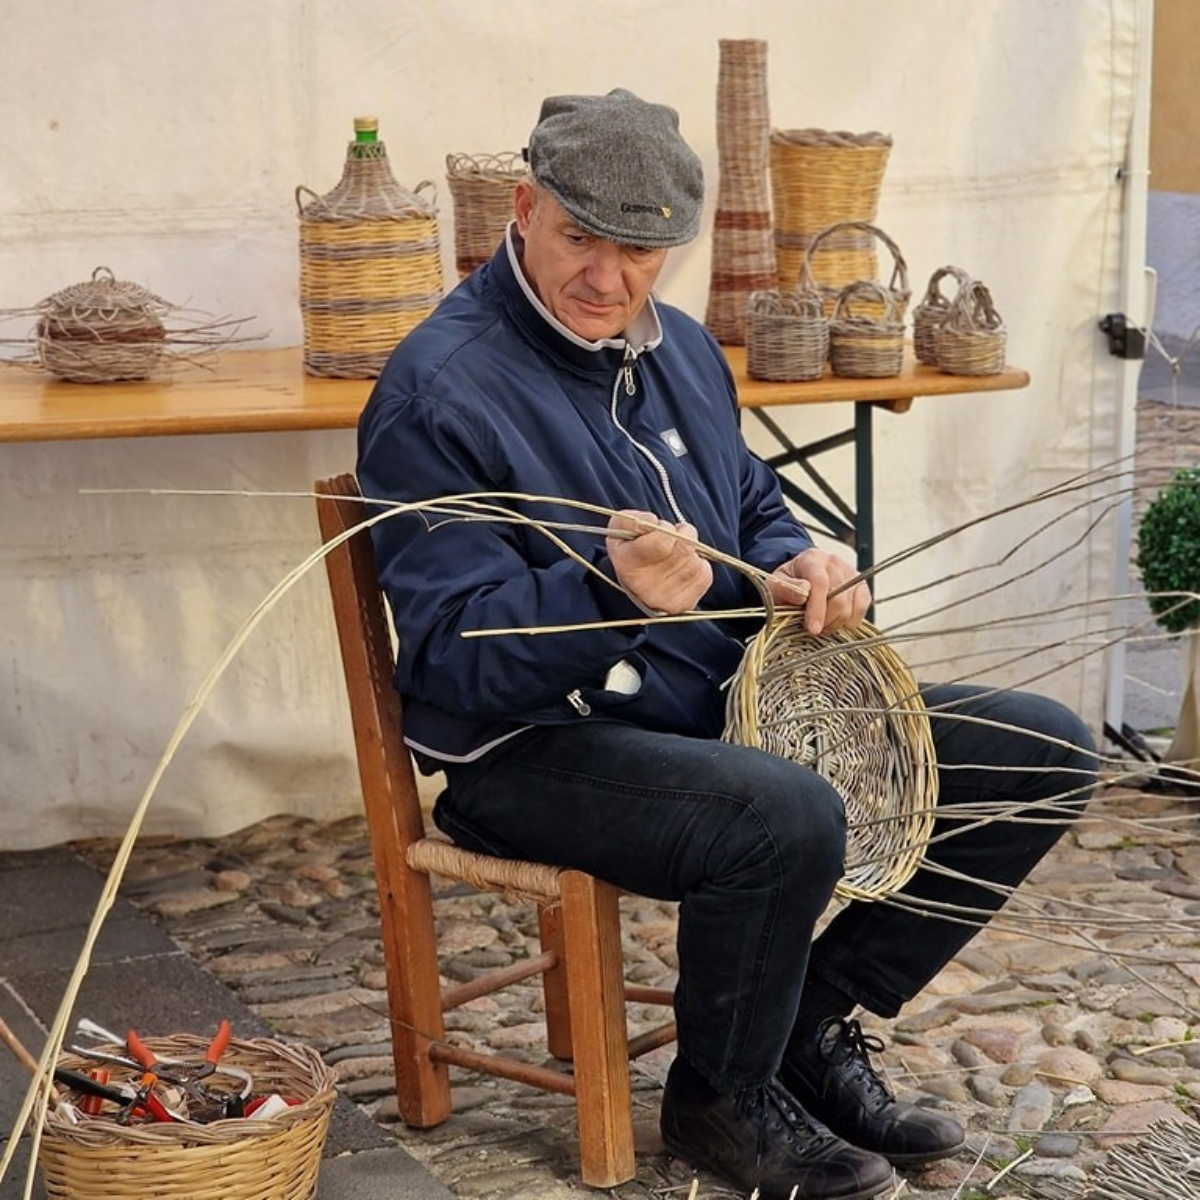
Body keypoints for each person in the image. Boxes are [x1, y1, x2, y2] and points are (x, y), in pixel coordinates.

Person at [357, 88, 1098, 1200]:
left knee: (1037, 752)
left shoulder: (685, 351)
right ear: (522, 208)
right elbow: (454, 658)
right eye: (579, 241)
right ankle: (718, 1099)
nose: (607, 280)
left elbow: (750, 504)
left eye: (641, 253)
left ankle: (801, 1023)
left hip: (708, 707)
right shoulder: (437, 391)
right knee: (778, 810)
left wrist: (803, 561)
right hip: (526, 751)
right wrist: (609, 587)